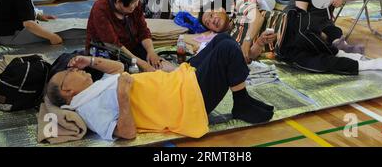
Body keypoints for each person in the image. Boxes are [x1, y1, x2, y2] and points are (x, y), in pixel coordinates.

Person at [47, 35, 274, 140]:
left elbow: (117, 68)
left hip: (176, 82)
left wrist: (91, 61)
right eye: (69, 73)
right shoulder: (89, 108)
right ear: (68, 92)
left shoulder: (92, 90)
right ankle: (241, 102)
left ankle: (241, 98)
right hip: (186, 100)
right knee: (227, 51)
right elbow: (126, 133)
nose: (74, 69)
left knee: (222, 39)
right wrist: (123, 95)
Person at [86, 0, 164, 72]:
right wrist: (142, 64)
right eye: (133, 2)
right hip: (107, 52)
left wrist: (151, 52)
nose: (136, 4)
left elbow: (143, 31)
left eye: (137, 0)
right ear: (118, 2)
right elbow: (114, 46)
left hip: (131, 47)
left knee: (159, 65)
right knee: (125, 73)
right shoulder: (100, 10)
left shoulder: (135, 3)